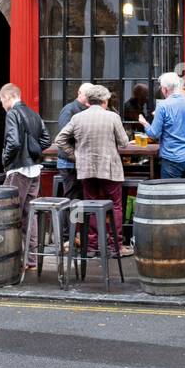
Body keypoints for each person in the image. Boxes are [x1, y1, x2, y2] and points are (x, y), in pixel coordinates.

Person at [53, 84, 133, 257]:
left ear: (89, 101)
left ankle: (91, 246)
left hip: (86, 170)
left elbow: (60, 139)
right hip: (110, 169)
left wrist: (76, 156)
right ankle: (115, 246)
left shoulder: (78, 118)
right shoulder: (112, 117)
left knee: (90, 205)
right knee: (116, 206)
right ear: (105, 100)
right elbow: (124, 142)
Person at [0, 83, 50, 263]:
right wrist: (33, 152)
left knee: (10, 214)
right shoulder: (33, 114)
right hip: (35, 170)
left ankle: (10, 259)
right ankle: (31, 259)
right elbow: (46, 140)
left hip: (18, 170)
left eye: (1, 100)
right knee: (30, 215)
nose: (2, 105)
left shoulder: (12, 113)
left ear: (7, 97)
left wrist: (6, 161)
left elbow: (13, 143)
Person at [139, 72, 185, 179]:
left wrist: (144, 122)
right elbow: (183, 125)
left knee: (171, 193)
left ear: (165, 89)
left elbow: (154, 134)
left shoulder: (162, 106)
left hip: (172, 158)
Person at [55, 83, 93, 201]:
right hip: (69, 163)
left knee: (80, 197)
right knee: (74, 197)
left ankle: (79, 219)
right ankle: (74, 219)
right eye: (87, 95)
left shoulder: (88, 110)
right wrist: (74, 155)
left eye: (91, 95)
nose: (89, 98)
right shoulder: (69, 110)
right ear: (79, 93)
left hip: (79, 162)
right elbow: (63, 136)